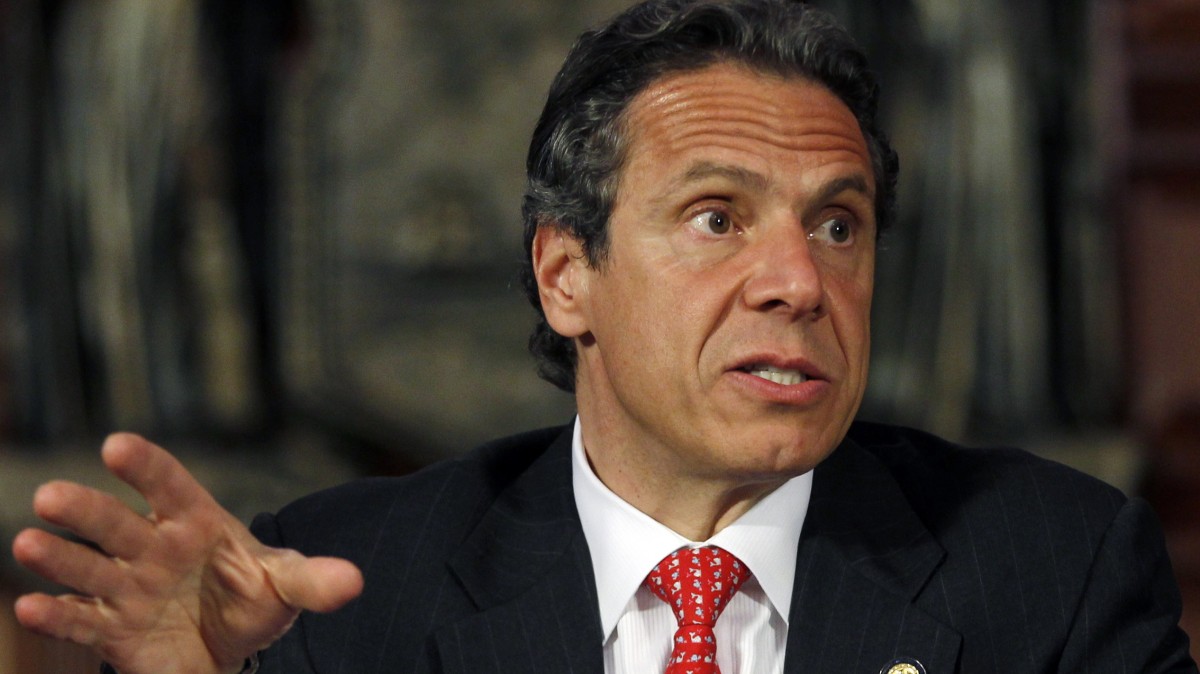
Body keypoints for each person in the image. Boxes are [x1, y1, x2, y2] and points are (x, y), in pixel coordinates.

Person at [11, 1, 1197, 672]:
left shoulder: (1057, 571)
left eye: (840, 223)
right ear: (566, 272)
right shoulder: (338, 598)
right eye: (716, 217)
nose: (798, 279)